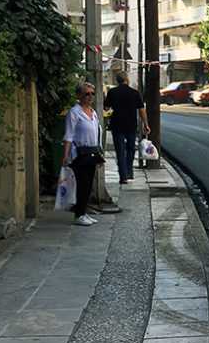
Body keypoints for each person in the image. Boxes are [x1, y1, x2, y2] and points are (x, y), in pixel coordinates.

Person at [62, 81, 102, 226]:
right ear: (79, 95)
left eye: (92, 93)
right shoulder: (74, 112)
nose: (90, 96)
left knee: (89, 184)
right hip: (79, 153)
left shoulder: (93, 112)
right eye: (86, 94)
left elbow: (97, 133)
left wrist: (100, 153)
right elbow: (68, 135)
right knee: (82, 184)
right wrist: (66, 156)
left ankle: (83, 212)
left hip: (91, 152)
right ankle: (79, 214)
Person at [105, 70, 149, 184]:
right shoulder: (134, 93)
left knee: (120, 151)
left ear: (117, 80)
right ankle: (129, 171)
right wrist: (146, 124)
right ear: (127, 80)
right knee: (130, 149)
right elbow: (141, 110)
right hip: (131, 125)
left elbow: (106, 107)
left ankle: (123, 176)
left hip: (117, 125)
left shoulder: (112, 92)